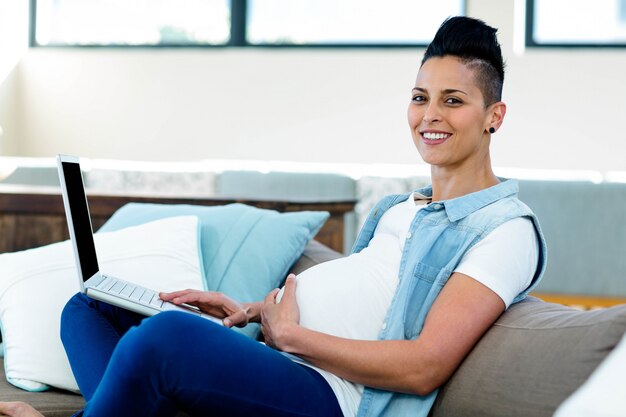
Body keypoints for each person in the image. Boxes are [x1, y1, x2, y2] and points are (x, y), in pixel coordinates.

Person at [0, 16, 546, 417]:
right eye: (420, 96)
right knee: (90, 307)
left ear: (494, 115)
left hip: (333, 394)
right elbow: (366, 295)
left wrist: (292, 337)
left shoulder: (503, 228)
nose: (430, 115)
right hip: (280, 352)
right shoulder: (400, 206)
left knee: (161, 341)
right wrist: (250, 312)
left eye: (453, 100)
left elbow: (423, 365)